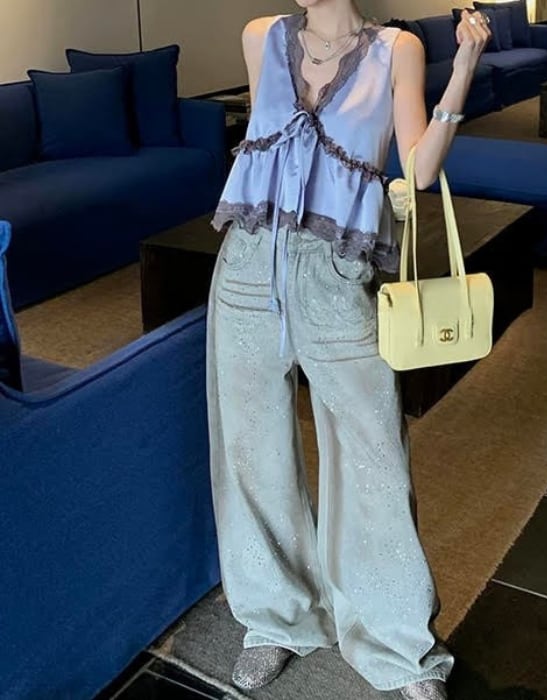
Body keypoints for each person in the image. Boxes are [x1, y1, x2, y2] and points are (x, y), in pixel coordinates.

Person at [206, 2, 490, 698]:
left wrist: (465, 66)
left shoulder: (396, 49)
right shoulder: (260, 37)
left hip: (336, 273)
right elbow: (266, 145)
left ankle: (397, 643)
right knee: (250, 449)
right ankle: (275, 618)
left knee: (375, 457)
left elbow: (419, 169)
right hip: (247, 263)